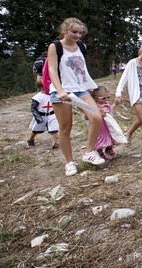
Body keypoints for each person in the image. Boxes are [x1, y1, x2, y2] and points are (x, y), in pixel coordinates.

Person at [48, 17, 106, 176]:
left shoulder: (81, 46)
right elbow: (52, 70)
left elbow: (81, 69)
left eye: (80, 33)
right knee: (66, 128)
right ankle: (69, 162)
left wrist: (91, 89)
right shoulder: (55, 46)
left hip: (80, 90)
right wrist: (60, 90)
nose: (78, 35)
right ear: (65, 30)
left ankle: (89, 152)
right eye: (74, 32)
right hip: (62, 91)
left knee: (96, 118)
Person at [27, 78, 59, 149]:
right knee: (37, 129)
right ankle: (30, 139)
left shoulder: (52, 94)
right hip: (41, 115)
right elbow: (33, 108)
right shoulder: (37, 97)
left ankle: (54, 143)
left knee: (54, 128)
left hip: (52, 114)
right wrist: (38, 117)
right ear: (42, 87)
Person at [90, 86, 117, 161]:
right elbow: (88, 116)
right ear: (96, 98)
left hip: (107, 126)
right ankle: (100, 153)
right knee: (99, 140)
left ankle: (109, 149)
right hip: (99, 127)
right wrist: (99, 114)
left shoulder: (106, 104)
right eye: (103, 98)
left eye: (107, 97)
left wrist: (115, 104)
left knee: (110, 137)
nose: (106, 100)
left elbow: (110, 110)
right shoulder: (94, 106)